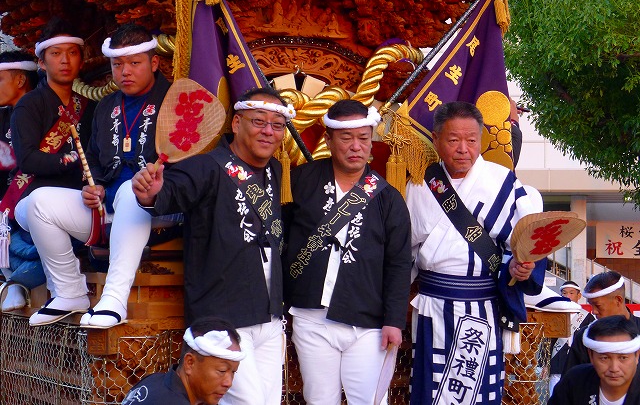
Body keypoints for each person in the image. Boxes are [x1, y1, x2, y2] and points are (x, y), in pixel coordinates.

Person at [132, 87, 294, 405]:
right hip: (224, 319)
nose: (268, 131)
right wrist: (151, 193)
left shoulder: (278, 171)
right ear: (236, 123)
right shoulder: (207, 166)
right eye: (259, 121)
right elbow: (171, 192)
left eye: (277, 125)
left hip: (270, 316)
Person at [21, 23, 172, 328]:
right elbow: (93, 157)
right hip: (110, 210)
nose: (124, 72)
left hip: (163, 209)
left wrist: (159, 184)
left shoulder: (174, 101)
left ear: (154, 63)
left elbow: (193, 161)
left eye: (134, 63)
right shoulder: (106, 106)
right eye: (117, 65)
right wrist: (96, 186)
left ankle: (114, 299)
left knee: (134, 190)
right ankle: (69, 292)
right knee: (36, 202)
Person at [405, 101, 544, 404]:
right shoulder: (419, 186)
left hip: (482, 309)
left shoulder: (503, 184)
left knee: (479, 390)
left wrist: (520, 267)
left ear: (481, 139)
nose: (463, 149)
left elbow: (522, 246)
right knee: (431, 388)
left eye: (471, 140)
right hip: (432, 306)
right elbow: (406, 254)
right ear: (437, 139)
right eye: (453, 140)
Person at [282, 100, 412, 404]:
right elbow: (280, 239)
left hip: (367, 321)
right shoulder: (301, 182)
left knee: (367, 400)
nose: (356, 147)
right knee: (319, 398)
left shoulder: (388, 198)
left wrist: (394, 320)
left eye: (363, 138)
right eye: (346, 138)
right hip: (311, 316)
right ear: (329, 139)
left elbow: (398, 262)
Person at [7, 17, 96, 317]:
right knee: (39, 206)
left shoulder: (91, 106)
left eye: (72, 53)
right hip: (34, 196)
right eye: (56, 54)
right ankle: (55, 288)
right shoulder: (30, 105)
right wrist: (65, 161)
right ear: (42, 62)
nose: (65, 61)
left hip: (77, 199)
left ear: (81, 59)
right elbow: (28, 159)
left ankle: (36, 284)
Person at [0, 51, 45, 312]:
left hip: (36, 196)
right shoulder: (3, 117)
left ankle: (18, 281)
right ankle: (11, 282)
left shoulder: (43, 111)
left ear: (19, 81)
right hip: (8, 199)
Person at [122, 317, 246, 405]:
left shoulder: (154, 380)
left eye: (233, 372)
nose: (228, 383)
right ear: (190, 363)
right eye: (222, 371)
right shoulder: (168, 400)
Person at [549, 315, 640, 405]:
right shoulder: (575, 381)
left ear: (637, 355)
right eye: (604, 358)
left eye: (623, 358)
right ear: (591, 355)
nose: (614, 368)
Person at [564, 271, 640, 374]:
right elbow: (570, 381)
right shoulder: (584, 336)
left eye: (598, 306)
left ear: (618, 300)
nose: (594, 311)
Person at [548, 280, 595, 393]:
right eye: (564, 293)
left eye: (571, 293)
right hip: (558, 363)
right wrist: (544, 364)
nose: (567, 296)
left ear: (579, 295)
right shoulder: (555, 316)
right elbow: (549, 340)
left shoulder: (588, 318)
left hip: (579, 364)